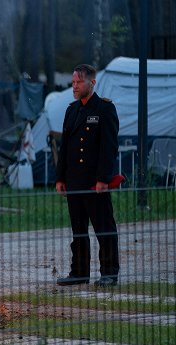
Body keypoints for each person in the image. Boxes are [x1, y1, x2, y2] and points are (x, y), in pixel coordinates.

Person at [55, 64, 120, 287]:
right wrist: (60, 178)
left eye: (79, 82)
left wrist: (103, 177)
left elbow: (108, 147)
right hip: (74, 181)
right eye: (73, 82)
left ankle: (109, 272)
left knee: (104, 228)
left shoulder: (104, 109)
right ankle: (79, 272)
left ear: (92, 83)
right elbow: (65, 147)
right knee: (79, 231)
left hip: (95, 182)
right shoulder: (72, 110)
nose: (74, 86)